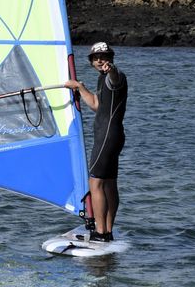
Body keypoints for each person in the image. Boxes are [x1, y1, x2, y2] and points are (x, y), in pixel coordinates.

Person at [64, 42, 127, 242]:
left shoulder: (113, 76)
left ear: (111, 59)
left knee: (96, 182)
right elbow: (96, 105)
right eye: (96, 58)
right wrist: (80, 87)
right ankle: (107, 230)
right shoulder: (103, 79)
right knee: (108, 183)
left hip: (107, 137)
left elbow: (115, 78)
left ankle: (100, 232)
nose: (100, 60)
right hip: (112, 136)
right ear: (91, 61)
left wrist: (113, 70)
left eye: (105, 57)